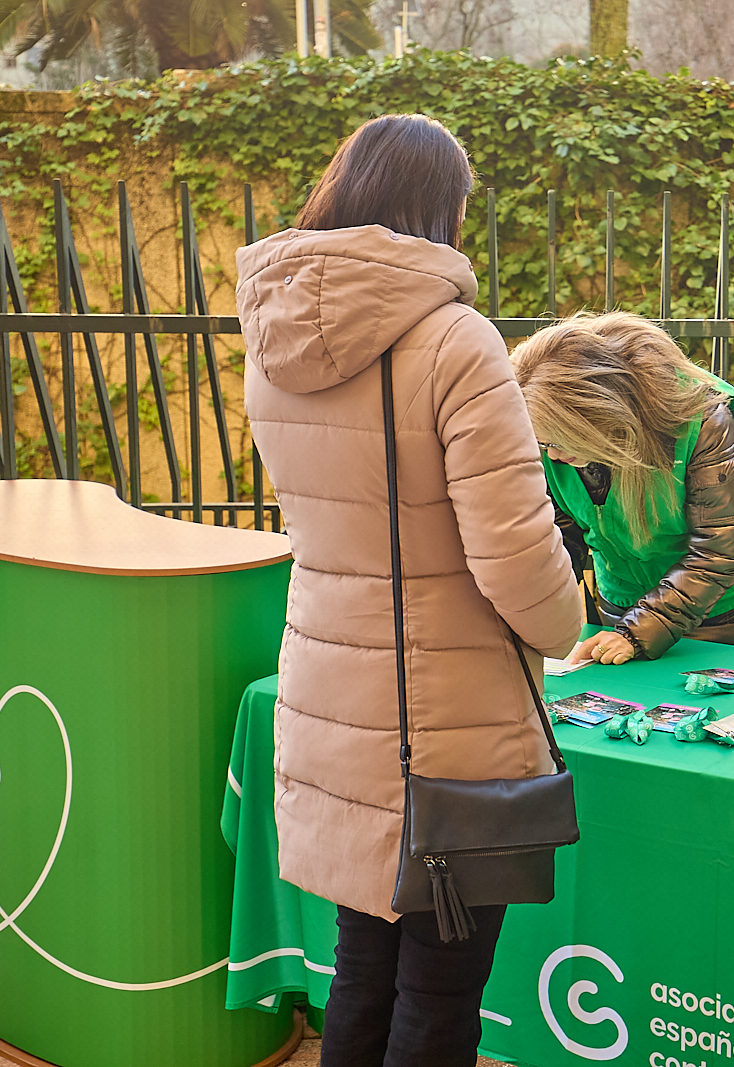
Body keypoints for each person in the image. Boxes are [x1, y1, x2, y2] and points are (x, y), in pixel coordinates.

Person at [236, 114, 582, 1067]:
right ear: (441, 208)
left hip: (332, 701)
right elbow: (516, 559)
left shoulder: (271, 337)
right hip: (448, 723)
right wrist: (568, 621)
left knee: (361, 971)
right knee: (438, 997)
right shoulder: (456, 341)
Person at [509, 312, 734, 664]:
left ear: (596, 417)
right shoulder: (545, 429)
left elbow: (720, 550)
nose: (552, 455)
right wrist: (534, 611)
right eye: (543, 444)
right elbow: (560, 535)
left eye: (558, 441)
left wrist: (635, 632)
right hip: (629, 598)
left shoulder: (705, 420)